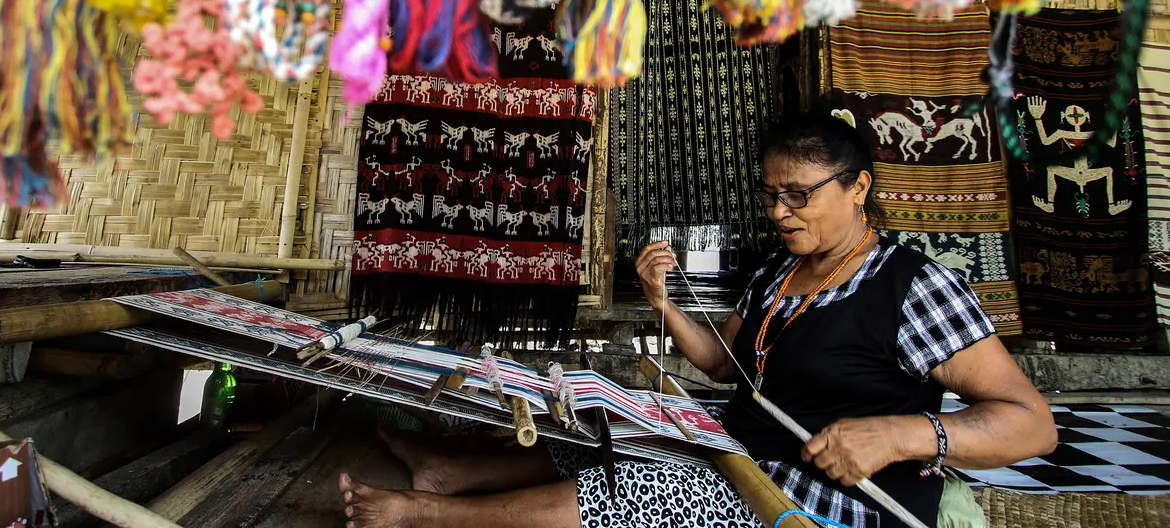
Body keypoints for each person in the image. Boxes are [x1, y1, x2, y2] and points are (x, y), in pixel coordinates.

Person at [338, 112, 1058, 528]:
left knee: (650, 489)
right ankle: (447, 473)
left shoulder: (913, 287)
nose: (779, 213)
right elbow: (726, 363)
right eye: (771, 196)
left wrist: (901, 434)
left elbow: (1031, 423)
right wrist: (664, 308)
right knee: (622, 434)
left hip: (825, 498)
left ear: (858, 187)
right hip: (746, 447)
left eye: (798, 196)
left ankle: (423, 516)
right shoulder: (781, 269)